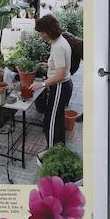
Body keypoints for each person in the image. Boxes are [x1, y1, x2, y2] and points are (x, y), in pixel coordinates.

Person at [33, 14, 72, 148]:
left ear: (50, 30)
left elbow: (60, 75)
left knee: (50, 121)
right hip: (64, 85)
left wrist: (42, 84)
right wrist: (48, 65)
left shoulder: (58, 47)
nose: (41, 36)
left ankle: (50, 151)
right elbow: (61, 66)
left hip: (60, 86)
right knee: (58, 119)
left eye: (42, 33)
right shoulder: (59, 41)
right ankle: (59, 148)